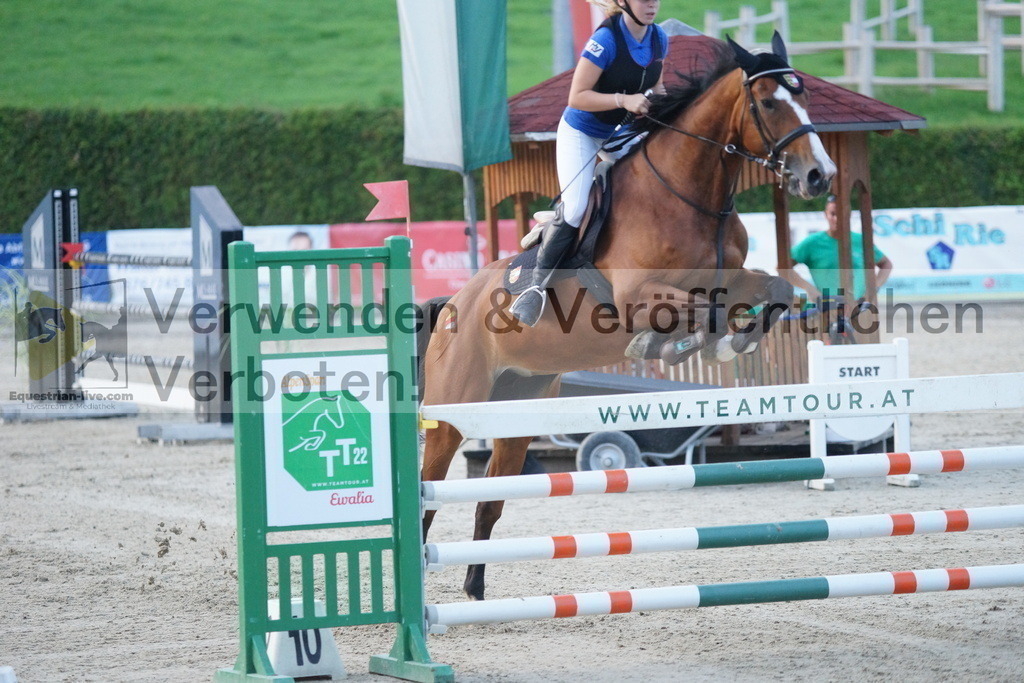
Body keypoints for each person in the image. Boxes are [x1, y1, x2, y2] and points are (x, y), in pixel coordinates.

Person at [510, 0, 668, 327]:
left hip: (620, 132)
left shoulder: (659, 38)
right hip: (581, 131)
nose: (652, 4)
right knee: (577, 205)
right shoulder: (606, 40)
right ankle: (535, 287)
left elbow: (658, 87)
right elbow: (577, 96)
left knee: (656, 182)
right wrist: (624, 100)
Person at [781, 195, 893, 306]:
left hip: (858, 308)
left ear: (848, 214)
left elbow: (886, 264)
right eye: (833, 214)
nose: (837, 219)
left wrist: (874, 288)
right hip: (826, 309)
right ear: (826, 215)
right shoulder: (812, 243)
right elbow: (782, 267)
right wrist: (807, 287)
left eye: (841, 214)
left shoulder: (861, 241)